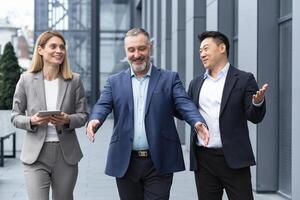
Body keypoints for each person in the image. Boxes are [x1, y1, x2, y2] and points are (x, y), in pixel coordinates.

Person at [86, 27, 209, 200]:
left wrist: (197, 123)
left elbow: (184, 103)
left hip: (159, 159)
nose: (137, 54)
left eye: (141, 48)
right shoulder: (114, 81)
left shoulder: (169, 78)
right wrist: (95, 120)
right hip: (125, 161)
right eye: (131, 50)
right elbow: (102, 104)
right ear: (126, 51)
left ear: (150, 47)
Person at [188, 30, 268, 200]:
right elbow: (187, 111)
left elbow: (255, 117)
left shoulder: (244, 79)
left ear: (222, 48)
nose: (202, 54)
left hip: (234, 159)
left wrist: (257, 102)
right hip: (204, 160)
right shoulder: (196, 83)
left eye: (206, 49)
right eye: (200, 51)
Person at [11, 30, 89, 200]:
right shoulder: (26, 79)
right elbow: (15, 116)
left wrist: (68, 119)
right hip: (36, 155)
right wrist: (32, 120)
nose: (59, 50)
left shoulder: (74, 80)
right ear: (40, 50)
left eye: (62, 47)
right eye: (53, 46)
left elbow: (83, 115)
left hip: (65, 154)